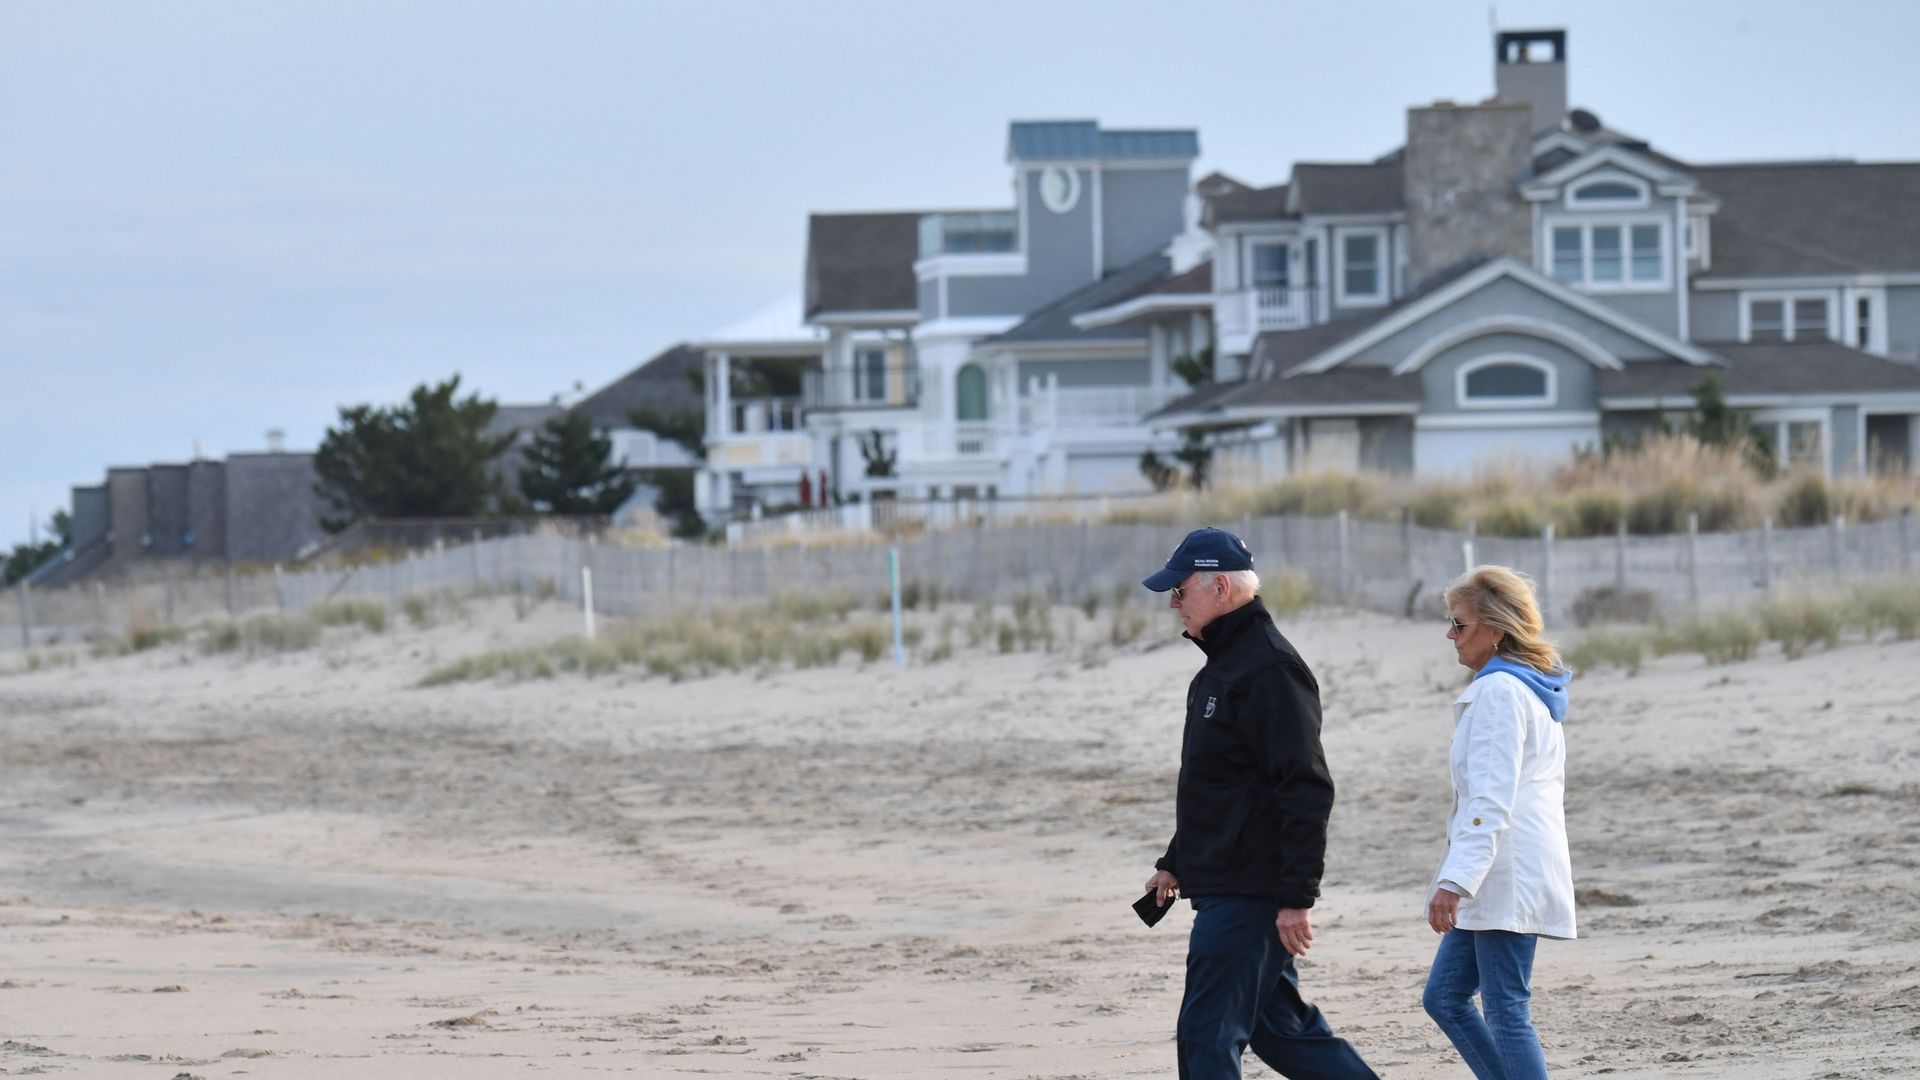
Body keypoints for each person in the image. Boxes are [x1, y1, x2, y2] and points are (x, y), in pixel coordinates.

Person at [1141, 526, 1380, 1080]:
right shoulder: (1221, 667)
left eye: (1180, 591)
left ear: (1220, 587)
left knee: (1207, 1036)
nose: (1173, 603)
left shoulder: (1270, 669)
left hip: (1249, 891)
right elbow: (1218, 785)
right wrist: (1176, 860)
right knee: (1284, 1034)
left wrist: (1297, 897)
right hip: (1226, 880)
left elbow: (1306, 787)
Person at [1424, 565, 1576, 1080]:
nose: (1450, 635)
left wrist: (1455, 880)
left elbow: (1490, 800)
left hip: (1505, 872)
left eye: (1459, 624)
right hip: (1501, 870)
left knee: (1507, 1010)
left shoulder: (1502, 693)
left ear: (1496, 630)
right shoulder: (1518, 688)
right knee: (1444, 997)